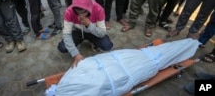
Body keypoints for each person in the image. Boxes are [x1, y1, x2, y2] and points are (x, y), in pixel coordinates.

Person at [55, 39, 200, 96]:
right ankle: (192, 43)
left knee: (161, 55)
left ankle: (192, 43)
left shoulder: (65, 85)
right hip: (133, 64)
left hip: (131, 60)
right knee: (160, 57)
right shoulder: (65, 84)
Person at [57, 0, 113, 67]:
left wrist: (89, 24)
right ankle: (76, 44)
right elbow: (66, 34)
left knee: (107, 45)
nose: (81, 16)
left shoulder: (99, 9)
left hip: (93, 31)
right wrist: (75, 53)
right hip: (77, 31)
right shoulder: (69, 11)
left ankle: (93, 42)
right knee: (62, 47)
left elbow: (102, 33)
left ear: (89, 7)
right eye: (77, 12)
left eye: (84, 12)